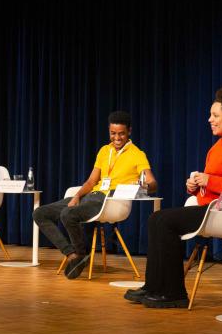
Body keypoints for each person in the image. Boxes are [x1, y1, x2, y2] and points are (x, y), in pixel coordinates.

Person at [125, 84, 222, 308]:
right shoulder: (218, 146)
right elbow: (216, 184)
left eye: (215, 115)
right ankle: (153, 286)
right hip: (210, 207)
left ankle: (174, 293)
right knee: (156, 218)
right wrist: (196, 187)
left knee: (166, 221)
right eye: (210, 114)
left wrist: (210, 181)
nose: (210, 119)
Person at [32, 111, 156, 279]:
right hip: (90, 195)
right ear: (109, 131)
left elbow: (152, 182)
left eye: (121, 134)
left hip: (108, 200)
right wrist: (76, 197)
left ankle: (80, 254)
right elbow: (91, 182)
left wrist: (144, 186)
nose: (117, 138)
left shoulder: (137, 154)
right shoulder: (104, 151)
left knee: (68, 214)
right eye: (113, 133)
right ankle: (73, 255)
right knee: (40, 213)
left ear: (129, 132)